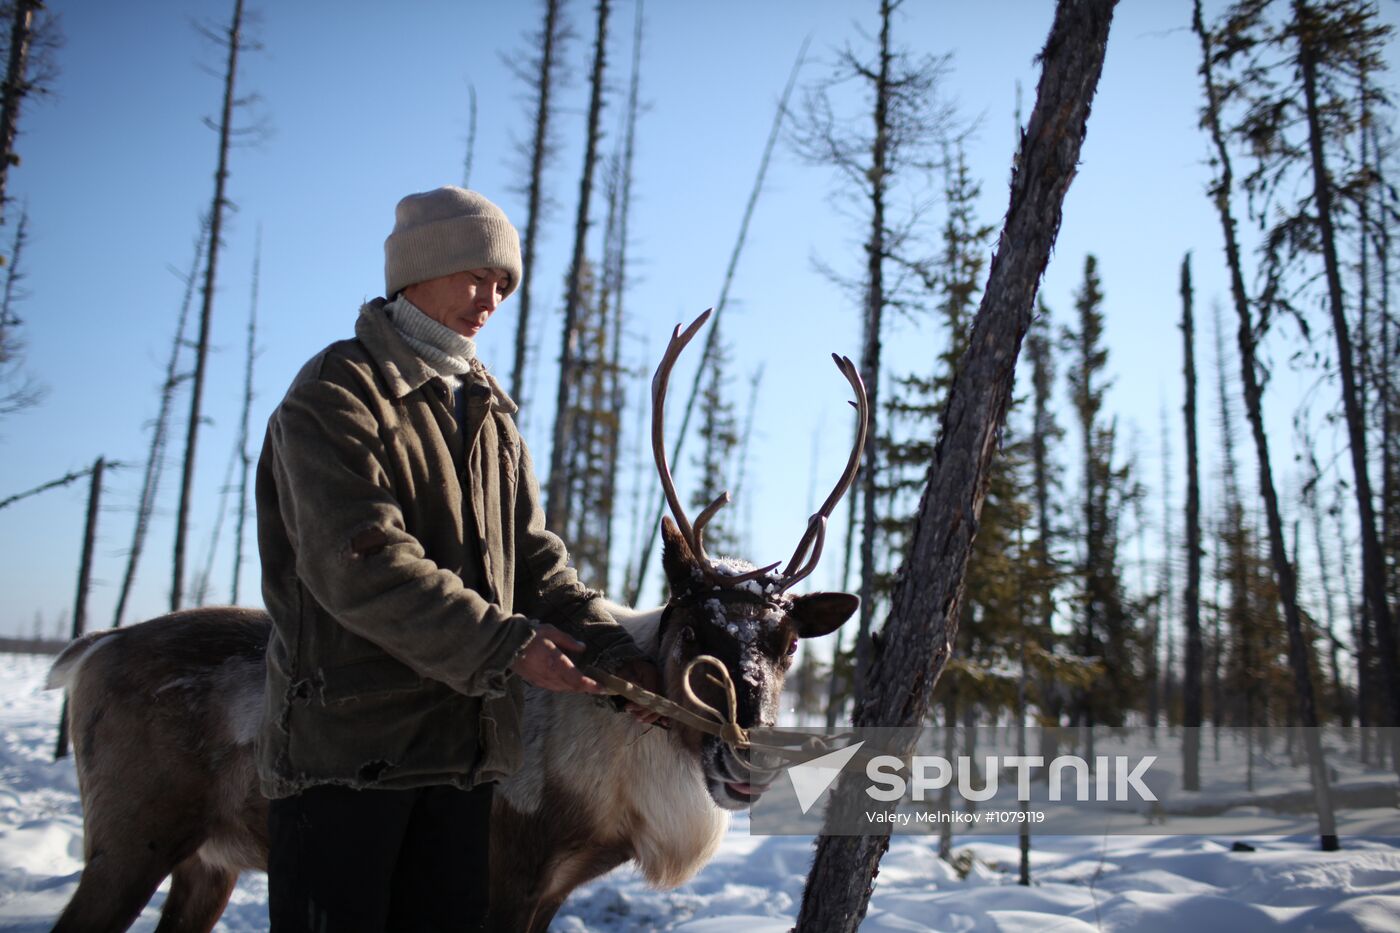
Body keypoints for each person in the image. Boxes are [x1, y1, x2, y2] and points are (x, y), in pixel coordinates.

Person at [255, 186, 653, 932]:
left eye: (504, 283)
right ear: (417, 269)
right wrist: (507, 644)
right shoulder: (336, 392)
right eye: (477, 274)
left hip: (464, 757)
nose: (491, 297)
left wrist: (611, 647)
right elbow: (362, 563)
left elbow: (535, 560)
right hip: (349, 758)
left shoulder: (488, 411)